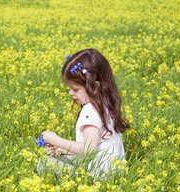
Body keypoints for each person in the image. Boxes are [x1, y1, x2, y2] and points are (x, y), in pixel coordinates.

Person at [37, 49, 130, 179]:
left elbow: (89, 150)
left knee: (45, 163)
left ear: (95, 86)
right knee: (61, 155)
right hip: (112, 171)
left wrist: (55, 140)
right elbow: (96, 148)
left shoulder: (91, 110)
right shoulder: (106, 106)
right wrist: (63, 149)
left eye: (75, 89)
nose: (70, 93)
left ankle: (83, 181)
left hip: (98, 177)